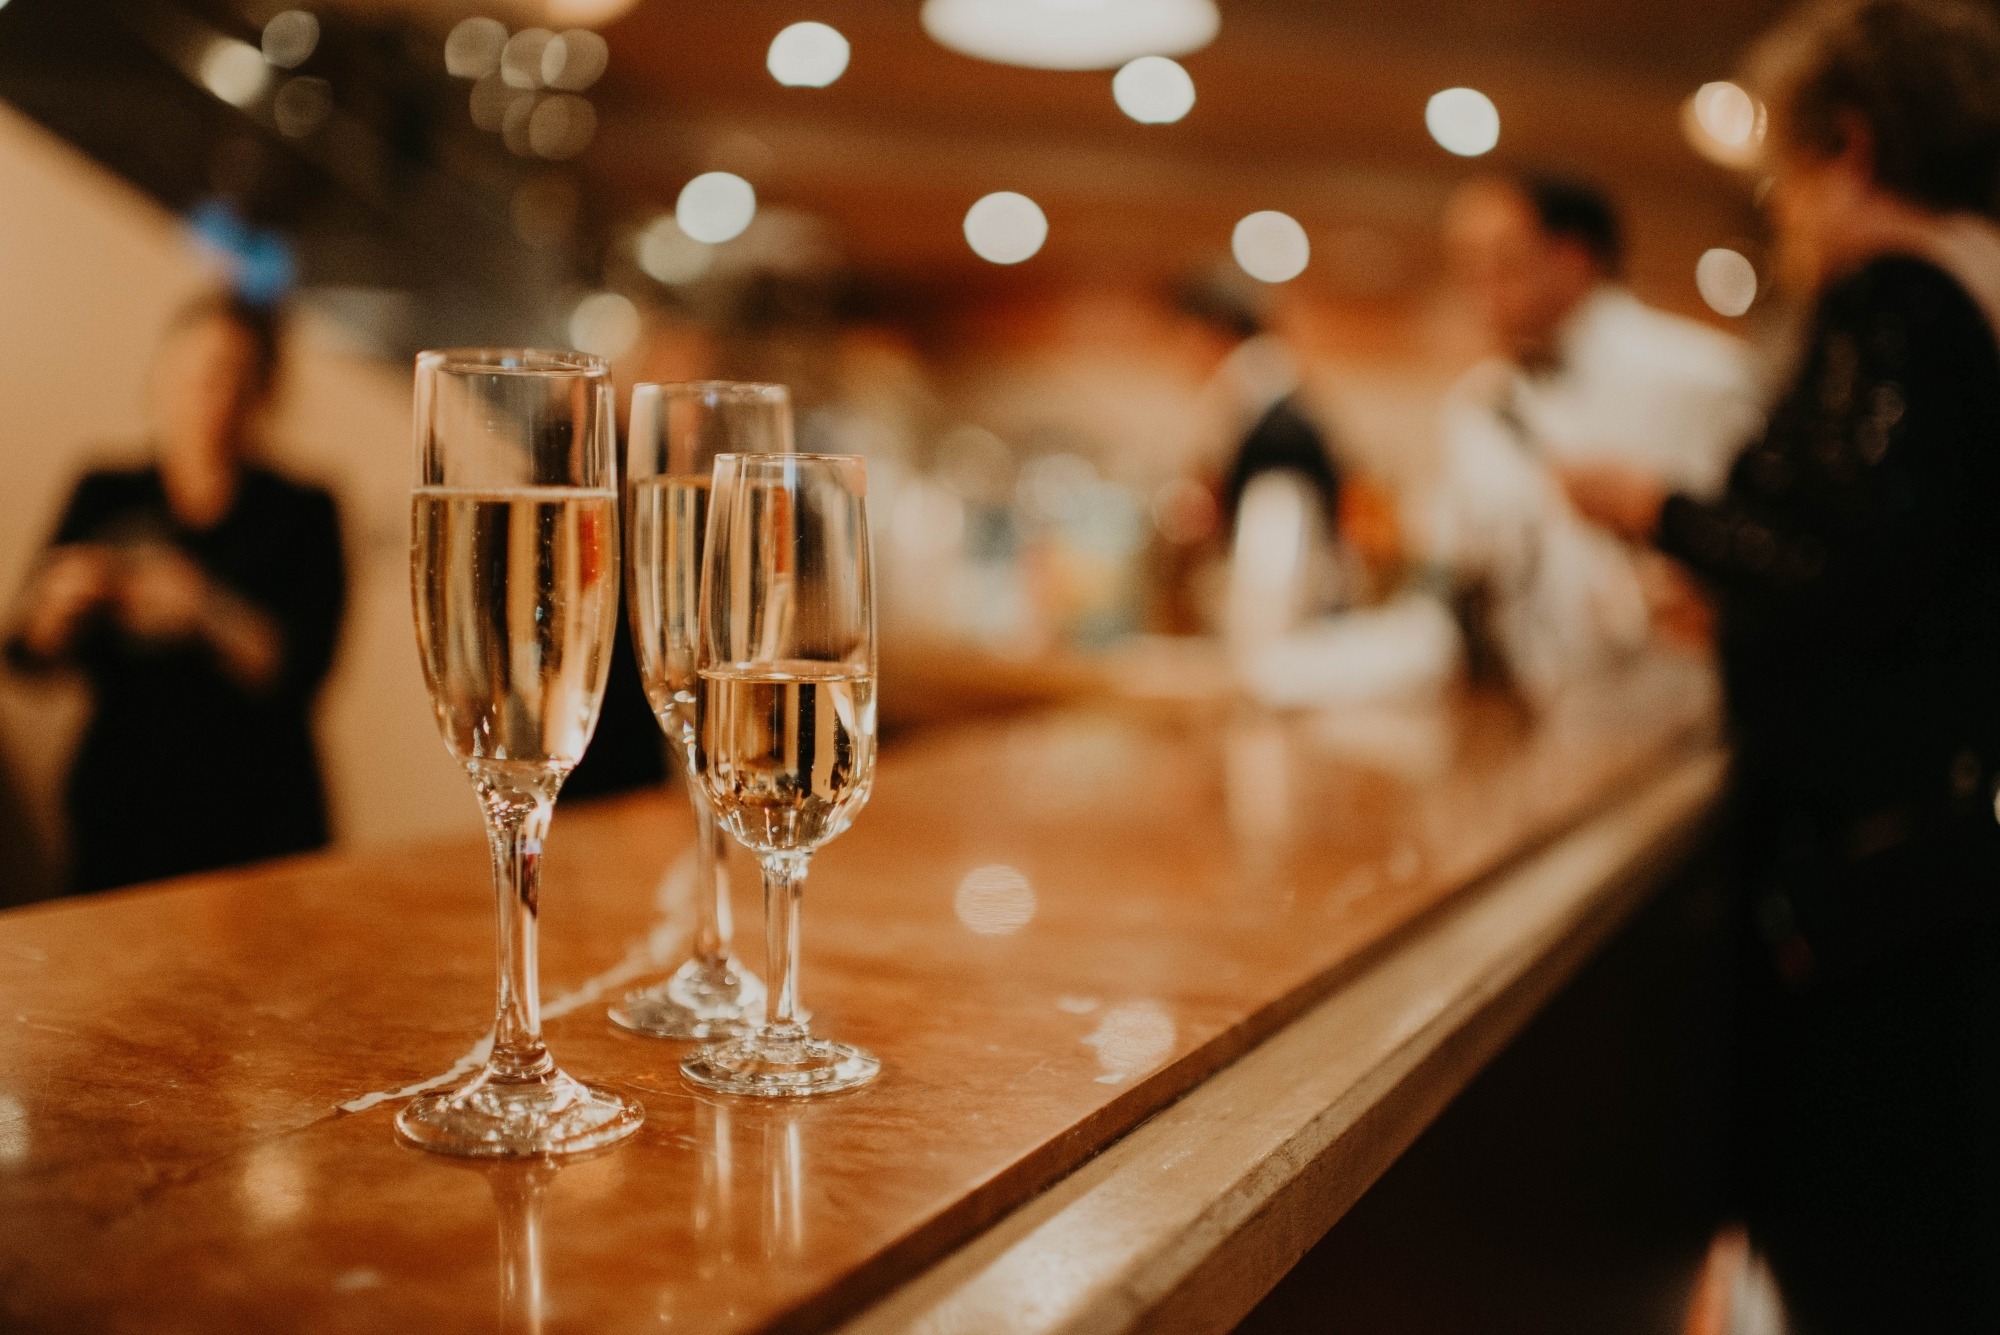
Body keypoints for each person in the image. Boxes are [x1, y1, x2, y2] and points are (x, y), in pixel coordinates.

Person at [1566, 2, 2000, 1326]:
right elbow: (1917, 572)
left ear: (1849, 151)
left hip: (1875, 888)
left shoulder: (1896, 292)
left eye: (1781, 180)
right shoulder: (1976, 292)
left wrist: (1659, 511)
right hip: (1940, 858)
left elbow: (1855, 563)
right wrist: (1744, 603)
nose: (1783, 219)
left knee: (1863, 1252)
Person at [5, 294, 345, 893]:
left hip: (259, 818)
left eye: (232, 378)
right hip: (121, 810)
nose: (211, 396)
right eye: (196, 375)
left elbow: (302, 668)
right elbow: (26, 655)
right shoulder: (105, 491)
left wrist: (205, 609)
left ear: (263, 394)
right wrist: (58, 605)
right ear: (160, 379)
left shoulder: (302, 511)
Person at [1427, 174, 1763, 703]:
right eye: (1463, 262)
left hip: (1681, 716)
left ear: (1574, 256)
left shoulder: (1704, 379)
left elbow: (1766, 555)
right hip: (1539, 727)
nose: (1477, 282)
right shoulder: (1478, 406)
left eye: (1501, 258)